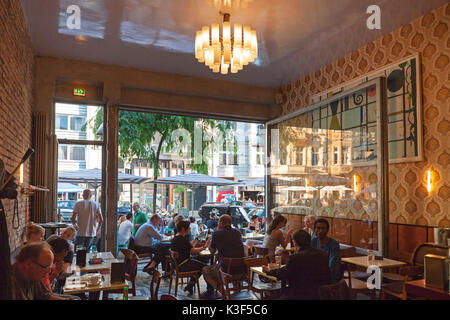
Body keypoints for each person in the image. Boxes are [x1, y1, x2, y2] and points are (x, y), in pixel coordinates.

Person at [10, 242, 78, 300]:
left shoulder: (32, 274)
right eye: (45, 267)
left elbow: (45, 296)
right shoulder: (9, 285)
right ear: (28, 264)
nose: (48, 271)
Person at [275, 230, 330, 299]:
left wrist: (269, 271)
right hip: (321, 293)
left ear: (295, 243)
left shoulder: (295, 257)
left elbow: (284, 273)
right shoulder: (323, 253)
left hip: (300, 294)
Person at [201, 214, 246, 299]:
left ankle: (224, 293)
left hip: (225, 272)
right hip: (242, 271)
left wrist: (214, 236)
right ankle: (236, 294)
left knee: (205, 269)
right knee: (229, 265)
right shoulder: (237, 232)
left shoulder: (217, 233)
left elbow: (212, 251)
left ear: (221, 223)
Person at [170, 220, 211, 295]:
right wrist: (205, 246)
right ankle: (210, 290)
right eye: (188, 228)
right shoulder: (181, 239)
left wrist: (198, 238)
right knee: (205, 267)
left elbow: (189, 246)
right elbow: (193, 251)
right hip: (183, 265)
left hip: (178, 264)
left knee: (202, 261)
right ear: (183, 229)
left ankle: (190, 286)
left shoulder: (177, 238)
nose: (190, 229)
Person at [311, 218, 341, 283]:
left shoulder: (334, 244)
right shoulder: (313, 241)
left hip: (329, 277)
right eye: (318, 228)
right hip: (315, 275)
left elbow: (333, 265)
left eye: (323, 228)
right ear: (314, 229)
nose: (320, 231)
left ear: (327, 230)